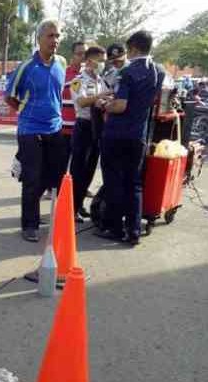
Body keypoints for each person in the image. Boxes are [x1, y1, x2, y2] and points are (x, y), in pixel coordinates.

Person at [95, 30, 164, 246]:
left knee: (114, 181)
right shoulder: (158, 72)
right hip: (138, 135)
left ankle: (115, 228)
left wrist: (105, 104)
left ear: (133, 48)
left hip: (117, 135)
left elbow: (120, 105)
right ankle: (133, 231)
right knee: (134, 184)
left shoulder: (128, 72)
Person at [5, 19, 68, 243]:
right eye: (51, 36)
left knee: (53, 177)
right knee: (32, 178)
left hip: (55, 129)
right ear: (39, 38)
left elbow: (58, 94)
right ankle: (29, 225)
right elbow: (9, 95)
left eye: (58, 36)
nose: (55, 40)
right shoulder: (27, 67)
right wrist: (26, 112)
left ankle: (41, 216)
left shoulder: (61, 62)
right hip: (30, 131)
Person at [69, 45, 110, 222]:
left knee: (90, 170)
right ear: (90, 60)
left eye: (104, 61)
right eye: (100, 61)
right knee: (78, 170)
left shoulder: (102, 80)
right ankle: (70, 208)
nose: (102, 64)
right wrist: (101, 96)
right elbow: (82, 101)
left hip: (98, 127)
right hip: (83, 126)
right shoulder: (78, 80)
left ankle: (79, 205)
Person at [61, 41, 85, 156]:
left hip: (83, 131)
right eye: (79, 54)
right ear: (73, 55)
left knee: (79, 171)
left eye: (85, 54)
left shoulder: (94, 76)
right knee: (59, 169)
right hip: (63, 131)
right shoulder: (62, 73)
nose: (83, 57)